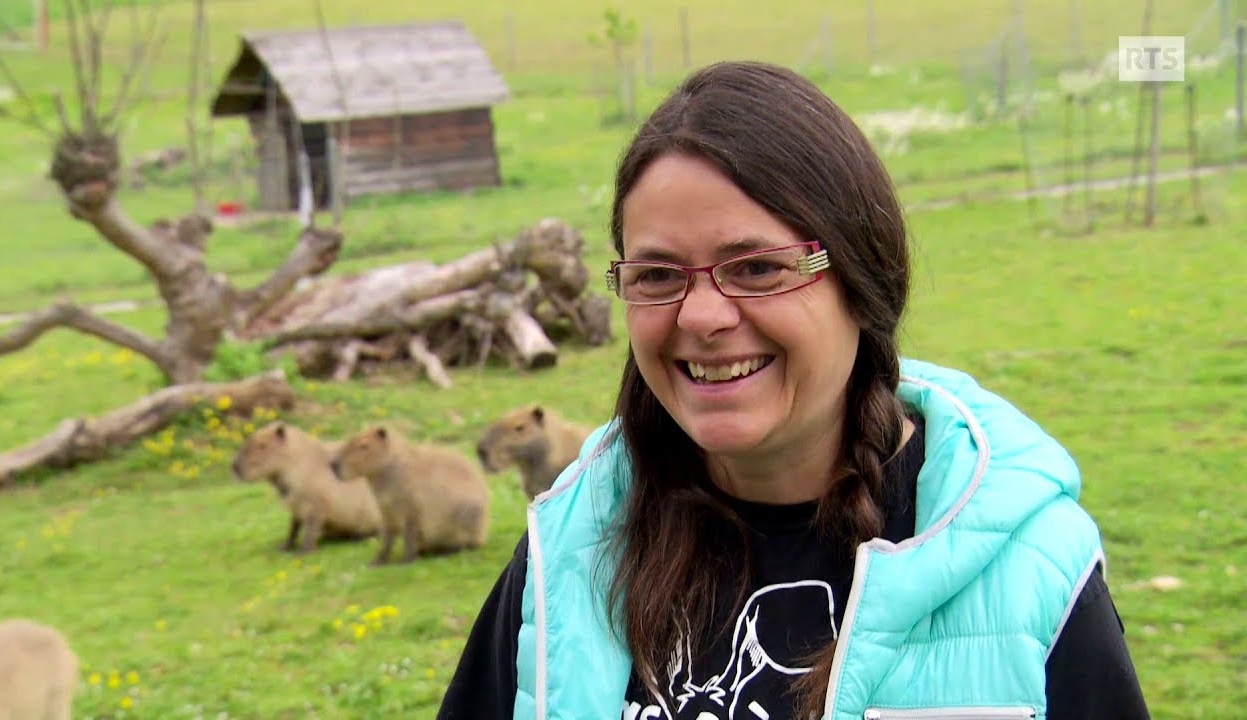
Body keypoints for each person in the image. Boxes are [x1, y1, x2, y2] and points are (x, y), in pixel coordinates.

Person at [437, 61, 1149, 720]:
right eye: (657, 276)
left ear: (862, 281)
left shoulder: (1027, 572)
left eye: (756, 268)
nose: (703, 317)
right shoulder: (568, 548)